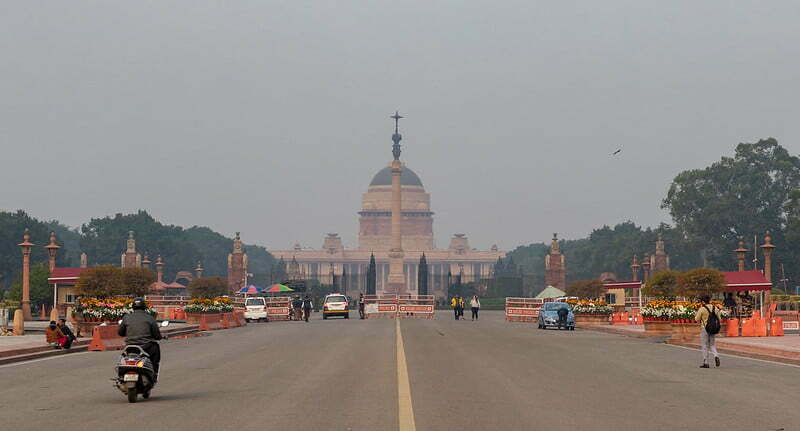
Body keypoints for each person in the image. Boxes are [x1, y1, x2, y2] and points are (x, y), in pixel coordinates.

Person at [118, 298, 163, 380]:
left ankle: (120, 376)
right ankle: (154, 374)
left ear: (133, 307)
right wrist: (159, 337)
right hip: (146, 347)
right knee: (156, 350)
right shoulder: (150, 318)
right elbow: (157, 335)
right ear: (144, 307)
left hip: (130, 347)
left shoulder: (126, 318)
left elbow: (120, 333)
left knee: (122, 357)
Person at [694, 295, 722, 368]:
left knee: (705, 346)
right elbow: (719, 318)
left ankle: (706, 363)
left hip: (704, 328)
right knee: (712, 345)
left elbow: (696, 319)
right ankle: (716, 355)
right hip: (713, 328)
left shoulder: (702, 309)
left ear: (703, 302)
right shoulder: (715, 308)